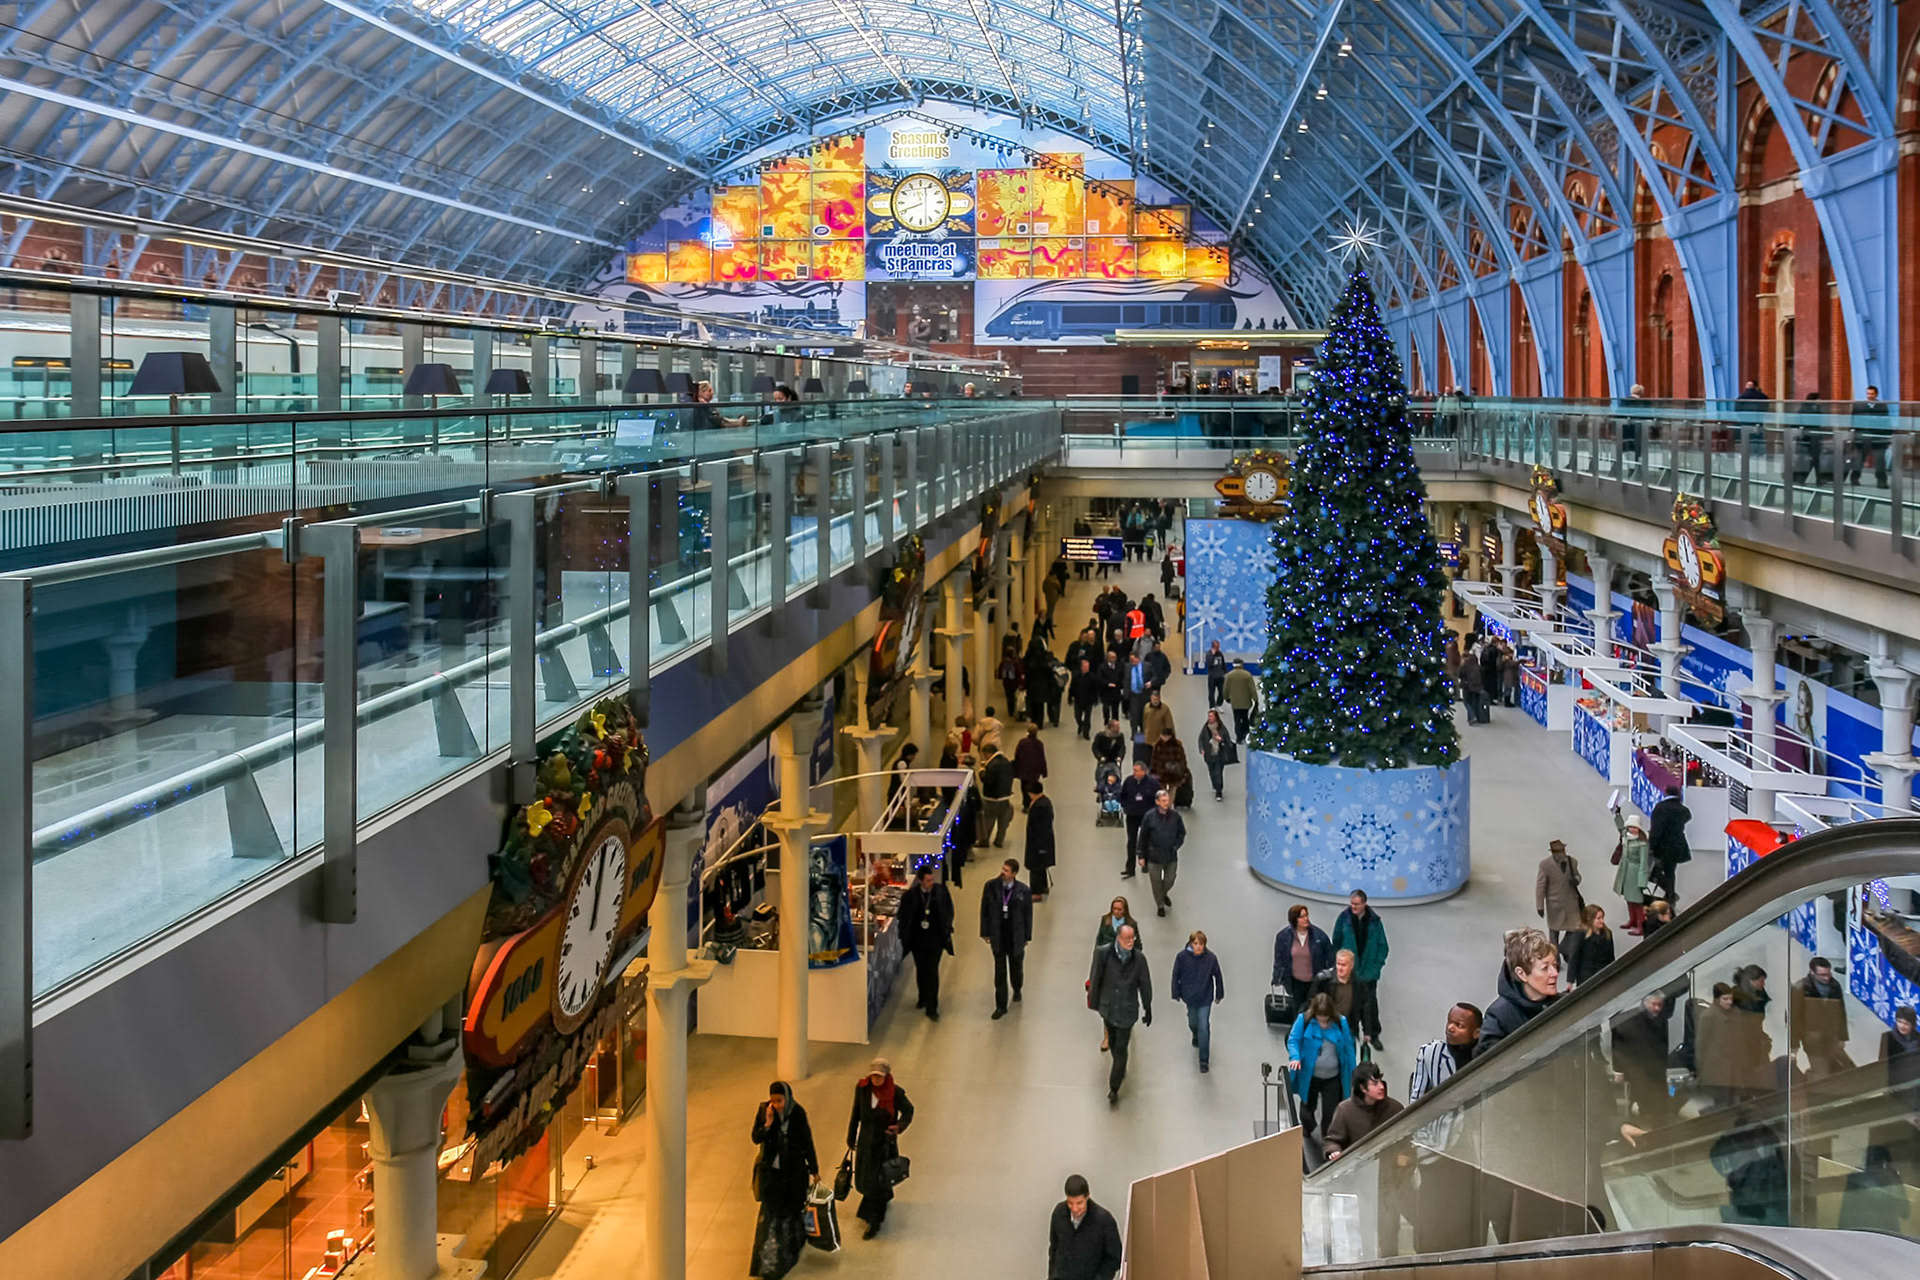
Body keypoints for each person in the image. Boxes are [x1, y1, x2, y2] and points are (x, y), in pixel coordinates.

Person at [749, 1082, 819, 1280]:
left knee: (790, 1214)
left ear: (788, 1098)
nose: (777, 1105)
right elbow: (756, 1138)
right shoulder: (765, 1112)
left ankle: (788, 1255)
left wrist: (814, 1169)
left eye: (780, 1100)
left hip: (794, 1176)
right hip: (772, 1176)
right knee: (771, 1217)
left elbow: (807, 1141)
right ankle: (768, 1263)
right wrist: (768, 1124)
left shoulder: (798, 1113)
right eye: (774, 1101)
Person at [846, 1058, 914, 1237]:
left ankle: (874, 1221)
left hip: (884, 1143)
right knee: (867, 1176)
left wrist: (899, 1126)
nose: (876, 1080)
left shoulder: (895, 1093)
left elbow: (909, 1110)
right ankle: (883, 1198)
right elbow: (856, 1113)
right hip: (866, 1141)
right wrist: (851, 1135)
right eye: (874, 1076)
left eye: (880, 1076)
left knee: (877, 1180)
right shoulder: (862, 1089)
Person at [1089, 922, 1153, 1103]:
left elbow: (1145, 984)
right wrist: (1094, 1003)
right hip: (1108, 1008)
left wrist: (1148, 1007)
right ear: (1118, 937)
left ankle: (1114, 1088)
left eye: (1132, 938)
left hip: (1127, 1010)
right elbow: (1096, 978)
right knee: (1115, 1043)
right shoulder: (1103, 953)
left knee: (1122, 1047)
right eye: (1126, 938)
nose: (1130, 941)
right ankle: (1119, 1065)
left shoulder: (1139, 959)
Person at [1286, 993, 1357, 1153]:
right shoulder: (1303, 1021)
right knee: (1307, 1110)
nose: (1323, 1022)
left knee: (1330, 1113)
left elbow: (1348, 1047)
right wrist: (1295, 1057)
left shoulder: (1340, 1023)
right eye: (1320, 1018)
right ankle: (1308, 1128)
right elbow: (1293, 1040)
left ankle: (1328, 1145)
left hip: (1333, 1077)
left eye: (1326, 1018)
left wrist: (1353, 1070)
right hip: (1310, 1077)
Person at [1478, 928, 1560, 1052]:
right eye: (1545, 968)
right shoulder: (1499, 1017)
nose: (1555, 973)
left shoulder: (1564, 1003)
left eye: (1554, 965)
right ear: (1521, 974)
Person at [1697, 981, 1771, 1110]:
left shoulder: (1736, 1014)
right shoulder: (1708, 1017)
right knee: (1722, 1105)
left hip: (1737, 1067)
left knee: (1738, 1103)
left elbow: (1742, 1040)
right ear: (1717, 999)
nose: (1729, 1002)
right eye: (1725, 999)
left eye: (1731, 998)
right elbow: (1701, 1045)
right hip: (1718, 1069)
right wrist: (1702, 1069)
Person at [1332, 888, 1390, 1049]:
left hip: (1369, 973)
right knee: (1349, 1004)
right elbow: (1336, 940)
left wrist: (1376, 965)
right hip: (1351, 972)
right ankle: (1352, 1033)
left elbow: (1383, 946)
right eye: (1352, 903)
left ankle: (1373, 1034)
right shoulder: (1344, 919)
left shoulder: (1375, 921)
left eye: (1357, 904)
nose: (1353, 906)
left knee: (1370, 1004)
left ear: (1365, 903)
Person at [1611, 991, 1677, 1126]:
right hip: (1638, 1067)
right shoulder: (1629, 1020)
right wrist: (1618, 1069)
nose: (1657, 1008)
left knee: (1659, 1103)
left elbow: (1664, 1043)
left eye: (1660, 1005)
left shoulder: (1660, 1019)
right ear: (1645, 1003)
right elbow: (1618, 1046)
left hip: (1656, 1066)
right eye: (1654, 1004)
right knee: (1644, 1100)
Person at [897, 866, 954, 1020]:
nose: (931, 883)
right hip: (917, 939)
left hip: (935, 938)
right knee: (921, 970)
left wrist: (947, 928)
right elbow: (903, 916)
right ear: (920, 881)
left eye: (932, 879)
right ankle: (922, 997)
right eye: (928, 880)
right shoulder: (910, 896)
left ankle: (932, 1007)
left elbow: (949, 911)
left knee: (932, 971)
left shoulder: (941, 892)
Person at [979, 858, 1032, 1019]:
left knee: (1016, 967)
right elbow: (985, 910)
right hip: (999, 935)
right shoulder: (991, 887)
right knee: (1000, 971)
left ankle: (1017, 988)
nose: (1003, 872)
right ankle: (1001, 1005)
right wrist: (985, 932)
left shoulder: (1023, 891)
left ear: (1014, 874)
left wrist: (1026, 936)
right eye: (1003, 868)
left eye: (1007, 870)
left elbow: (1028, 915)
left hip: (1015, 936)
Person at [1323, 1061, 1405, 1162]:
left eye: (1380, 1081)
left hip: (1388, 1168)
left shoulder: (1395, 1108)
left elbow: (1406, 1139)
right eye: (1375, 1084)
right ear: (1362, 1088)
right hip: (1358, 1168)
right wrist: (1334, 1151)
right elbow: (1333, 1140)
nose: (1381, 1087)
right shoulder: (1345, 1110)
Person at [1047, 1174, 1124, 1280]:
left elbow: (1114, 1258)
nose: (1074, 1208)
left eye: (1079, 1203)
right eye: (1070, 1203)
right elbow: (1054, 1248)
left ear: (1087, 1196)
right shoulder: (1058, 1213)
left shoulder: (1104, 1221)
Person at [1171, 930, 1226, 1073]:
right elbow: (1175, 974)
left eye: (1201, 944)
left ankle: (1203, 1060)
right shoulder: (1182, 957)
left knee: (1204, 1027)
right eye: (1195, 943)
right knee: (1193, 1022)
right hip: (1189, 997)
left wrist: (1219, 993)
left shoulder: (1211, 959)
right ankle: (1195, 1034)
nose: (1198, 947)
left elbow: (1218, 976)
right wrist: (1175, 992)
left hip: (1205, 998)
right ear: (1190, 944)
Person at [1789, 956, 1853, 1077]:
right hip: (1813, 1039)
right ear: (1812, 972)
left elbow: (1841, 1012)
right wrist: (1794, 1045)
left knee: (1846, 1068)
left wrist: (1842, 1036)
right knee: (1821, 1072)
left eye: (1828, 974)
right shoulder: (1800, 989)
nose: (1826, 978)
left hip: (1832, 1036)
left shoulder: (1835, 986)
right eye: (1822, 975)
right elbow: (1794, 1018)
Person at [1408, 1003, 1481, 1101]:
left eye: (1459, 1025)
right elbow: (1417, 1099)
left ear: (1476, 1033)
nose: (1450, 1028)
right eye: (1449, 1021)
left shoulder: (1486, 1056)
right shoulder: (1429, 1052)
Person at [1274, 904, 1335, 1016]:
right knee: (1299, 1012)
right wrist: (1277, 978)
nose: (1306, 919)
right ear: (1294, 919)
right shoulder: (1283, 937)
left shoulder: (1319, 937)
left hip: (1315, 982)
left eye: (1306, 915)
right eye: (1302, 917)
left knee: (1316, 1011)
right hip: (1296, 983)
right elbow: (1279, 959)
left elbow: (1330, 957)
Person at [1137, 788, 1186, 916]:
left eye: (1167, 800)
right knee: (1156, 881)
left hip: (1170, 855)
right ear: (1157, 802)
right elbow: (1143, 837)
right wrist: (1141, 856)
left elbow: (1182, 833)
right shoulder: (1149, 817)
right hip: (1154, 856)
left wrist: (1176, 846)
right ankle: (1160, 905)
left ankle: (1163, 894)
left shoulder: (1175, 816)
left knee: (1170, 879)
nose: (1166, 803)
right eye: (1163, 801)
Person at [1536, 839, 1585, 954]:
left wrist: (1576, 880)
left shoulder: (1572, 862)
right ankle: (1554, 956)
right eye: (1557, 852)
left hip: (1571, 903)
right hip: (1555, 904)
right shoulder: (1545, 865)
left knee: (1575, 928)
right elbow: (1540, 886)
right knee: (1554, 932)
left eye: (1562, 851)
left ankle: (1565, 949)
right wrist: (1540, 905)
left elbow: (1578, 876)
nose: (1560, 854)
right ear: (1552, 853)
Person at [1647, 786, 1692, 907]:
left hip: (1662, 846)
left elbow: (1656, 829)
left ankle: (1670, 892)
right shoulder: (1683, 810)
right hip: (1677, 846)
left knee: (1653, 871)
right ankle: (1670, 895)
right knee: (1670, 871)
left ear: (1665, 793)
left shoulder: (1660, 808)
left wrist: (1651, 845)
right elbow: (1688, 817)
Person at [1117, 761, 1160, 879]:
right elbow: (1122, 795)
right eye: (1133, 770)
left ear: (1144, 771)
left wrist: (1154, 813)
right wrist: (1126, 806)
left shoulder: (1152, 784)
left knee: (1146, 840)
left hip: (1147, 817)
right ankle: (1130, 868)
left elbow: (1158, 798)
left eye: (1137, 771)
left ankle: (1145, 864)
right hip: (1132, 816)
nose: (1134, 773)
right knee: (1131, 841)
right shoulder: (1129, 781)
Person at [1613, 808, 1652, 935]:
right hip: (1625, 870)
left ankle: (1641, 925)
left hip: (1635, 872)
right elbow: (1620, 827)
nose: (1632, 829)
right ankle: (1632, 920)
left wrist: (1642, 881)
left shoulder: (1642, 843)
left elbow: (1643, 862)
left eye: (1635, 827)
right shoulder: (1626, 835)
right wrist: (1617, 814)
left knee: (1637, 900)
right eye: (1630, 827)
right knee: (1628, 898)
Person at [1561, 903, 1614, 989]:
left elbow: (1611, 956)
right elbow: (1574, 956)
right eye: (1598, 918)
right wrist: (1570, 980)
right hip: (1586, 976)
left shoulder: (1607, 934)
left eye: (1602, 918)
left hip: (1603, 973)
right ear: (1590, 919)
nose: (1602, 921)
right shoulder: (1581, 935)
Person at [1309, 948, 1362, 1031]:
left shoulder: (1358, 983)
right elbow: (1312, 1002)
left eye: (1343, 965)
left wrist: (1367, 1031)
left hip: (1348, 1025)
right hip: (1326, 1024)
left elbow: (1364, 1007)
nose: (1340, 968)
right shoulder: (1323, 979)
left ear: (1351, 965)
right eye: (1338, 964)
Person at [977, 744, 1015, 848]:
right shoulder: (1006, 761)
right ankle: (999, 841)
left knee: (988, 820)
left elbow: (988, 781)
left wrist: (982, 772)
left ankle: (984, 841)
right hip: (1005, 796)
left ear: (988, 753)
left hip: (992, 798)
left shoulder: (992, 765)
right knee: (1003, 820)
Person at [1025, 781, 1057, 900]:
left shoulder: (1040, 806)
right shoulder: (1044, 802)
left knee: (1035, 867)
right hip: (1041, 841)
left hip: (1038, 842)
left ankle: (1036, 892)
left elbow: (1041, 827)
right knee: (1041, 866)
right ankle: (1043, 887)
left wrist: (1041, 847)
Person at [1149, 728, 1191, 809]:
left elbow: (1182, 760)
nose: (1163, 738)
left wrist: (1183, 771)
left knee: (1172, 790)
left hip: (1172, 773)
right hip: (1163, 773)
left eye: (1165, 736)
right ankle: (1164, 805)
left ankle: (1168, 806)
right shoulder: (1158, 745)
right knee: (1164, 790)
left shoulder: (1174, 745)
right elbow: (1154, 759)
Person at [1198, 710, 1234, 801]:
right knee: (1211, 771)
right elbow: (1201, 738)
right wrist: (1201, 749)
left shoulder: (1221, 728)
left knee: (1218, 772)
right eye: (1209, 716)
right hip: (1209, 754)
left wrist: (1221, 740)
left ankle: (1219, 791)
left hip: (1219, 754)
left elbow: (1228, 740)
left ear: (1216, 717)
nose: (1210, 718)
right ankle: (1215, 785)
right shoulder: (1206, 728)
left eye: (1211, 716)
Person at [1014, 722, 1049, 812]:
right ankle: (1032, 802)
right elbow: (1042, 758)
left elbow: (1017, 755)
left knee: (1024, 787)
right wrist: (1044, 771)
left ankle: (1026, 804)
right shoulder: (1039, 744)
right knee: (1032, 786)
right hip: (1035, 770)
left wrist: (1015, 768)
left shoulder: (1022, 742)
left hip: (1024, 769)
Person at [1223, 660, 1259, 741]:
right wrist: (1255, 699)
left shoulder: (1229, 675)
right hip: (1246, 701)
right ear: (1242, 665)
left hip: (1235, 702)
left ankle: (1239, 737)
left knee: (1237, 718)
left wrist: (1226, 698)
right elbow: (1252, 689)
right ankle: (1245, 734)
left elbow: (1225, 689)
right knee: (1245, 717)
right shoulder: (1247, 675)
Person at [1069, 659, 1101, 739]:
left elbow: (1096, 689)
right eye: (1085, 667)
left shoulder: (1093, 677)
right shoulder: (1076, 677)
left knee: (1087, 718)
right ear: (1081, 667)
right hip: (1078, 700)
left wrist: (1096, 699)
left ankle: (1086, 733)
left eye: (1088, 667)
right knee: (1077, 716)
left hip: (1088, 701)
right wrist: (1070, 697)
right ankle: (1080, 724)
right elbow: (1072, 687)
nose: (1086, 668)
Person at [1459, 644, 1488, 724]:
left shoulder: (1465, 665)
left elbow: (1460, 674)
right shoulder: (1477, 665)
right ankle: (1474, 717)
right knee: (1473, 701)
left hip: (1467, 685)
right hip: (1477, 686)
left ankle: (1472, 716)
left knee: (1466, 702)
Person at [1204, 640, 1228, 707]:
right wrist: (1213, 655)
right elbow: (1210, 664)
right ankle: (1212, 706)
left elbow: (1223, 663)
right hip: (1212, 677)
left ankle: (1219, 704)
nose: (1218, 649)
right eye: (1217, 647)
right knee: (1211, 692)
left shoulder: (1220, 654)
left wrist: (1225, 672)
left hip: (1220, 676)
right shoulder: (1209, 654)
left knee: (1222, 692)